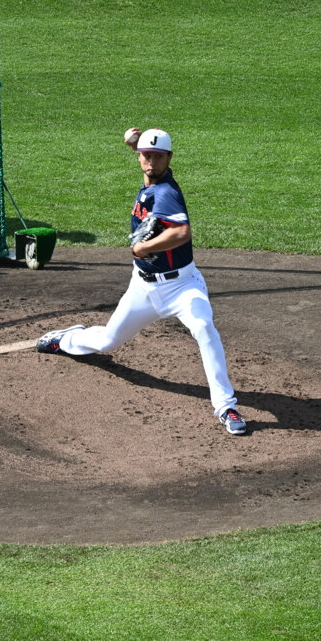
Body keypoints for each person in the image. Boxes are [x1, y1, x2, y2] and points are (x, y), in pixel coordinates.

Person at [37, 129, 248, 435]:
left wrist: (143, 248)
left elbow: (181, 233)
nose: (151, 161)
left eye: (158, 156)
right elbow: (148, 157)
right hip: (143, 287)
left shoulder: (166, 193)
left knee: (203, 328)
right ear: (139, 157)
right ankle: (67, 339)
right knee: (109, 341)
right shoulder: (151, 173)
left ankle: (226, 406)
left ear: (169, 159)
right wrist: (132, 143)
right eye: (145, 155)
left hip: (182, 287)